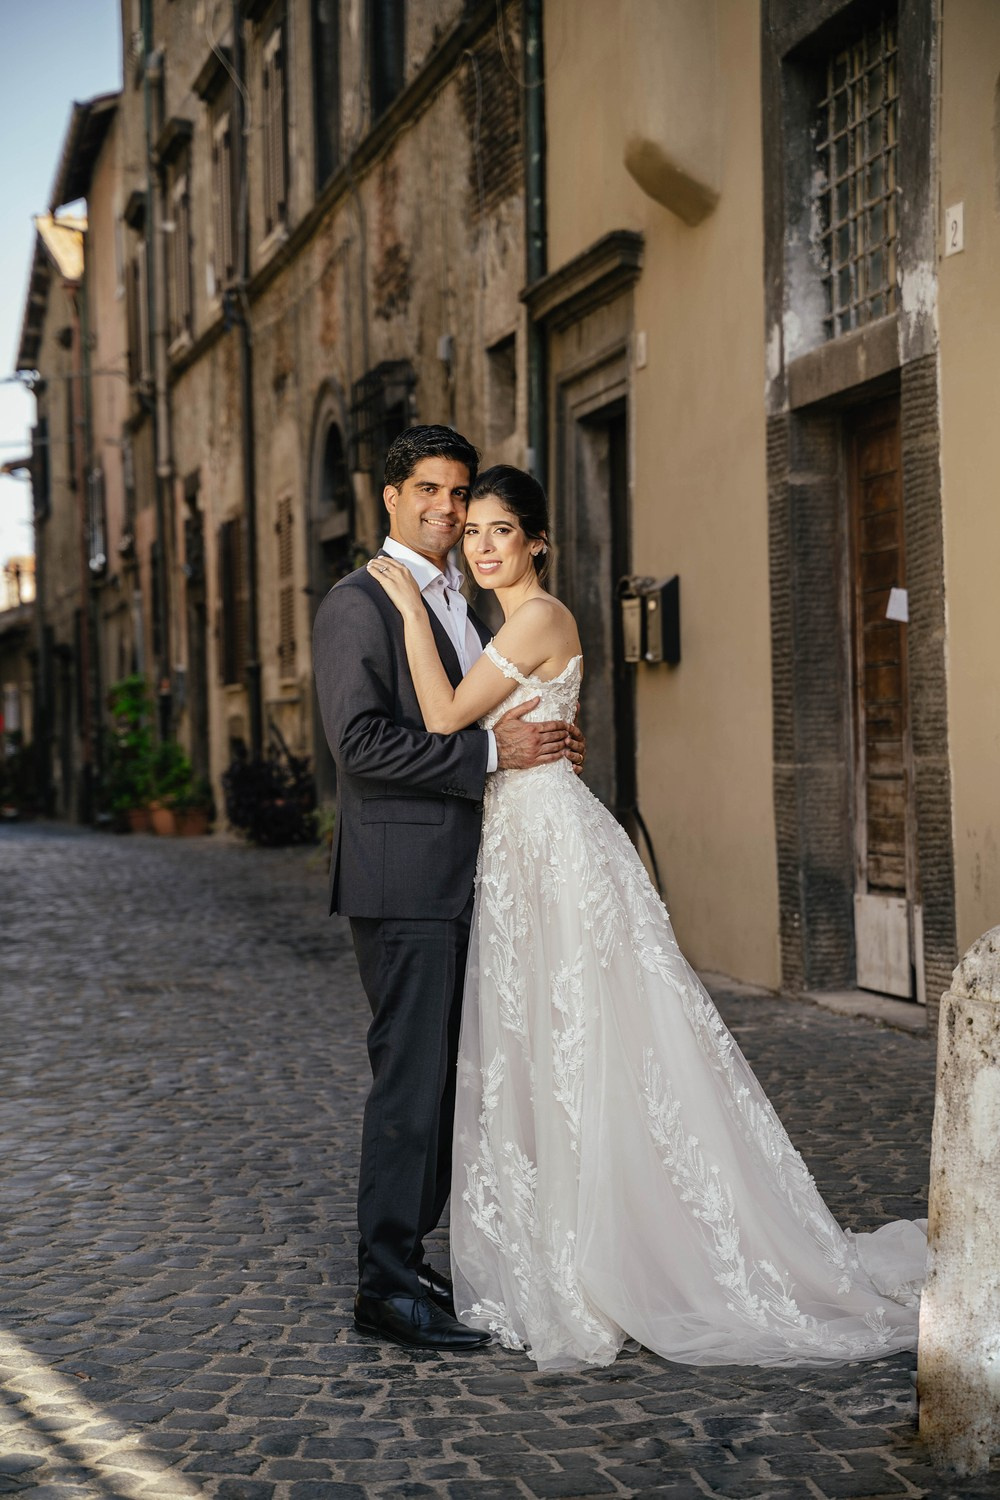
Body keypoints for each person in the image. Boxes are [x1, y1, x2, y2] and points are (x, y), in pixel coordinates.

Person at [366, 463, 927, 1372]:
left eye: (501, 530)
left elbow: (438, 715)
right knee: (540, 1042)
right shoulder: (503, 625)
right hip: (515, 845)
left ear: (537, 540)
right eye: (472, 532)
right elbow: (492, 733)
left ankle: (617, 1251)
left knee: (591, 1042)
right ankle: (564, 1238)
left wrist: (401, 611)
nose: (482, 545)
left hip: (551, 850)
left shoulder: (539, 615)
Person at [312, 427, 584, 1352]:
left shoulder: (461, 600)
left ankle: (409, 1256)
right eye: (426, 488)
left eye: (459, 492)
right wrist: (487, 752)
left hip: (470, 875)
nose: (446, 507)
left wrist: (535, 743)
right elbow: (361, 746)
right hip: (404, 879)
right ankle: (384, 1286)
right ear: (389, 496)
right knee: (409, 1083)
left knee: (442, 1087)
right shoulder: (360, 602)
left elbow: (492, 707)